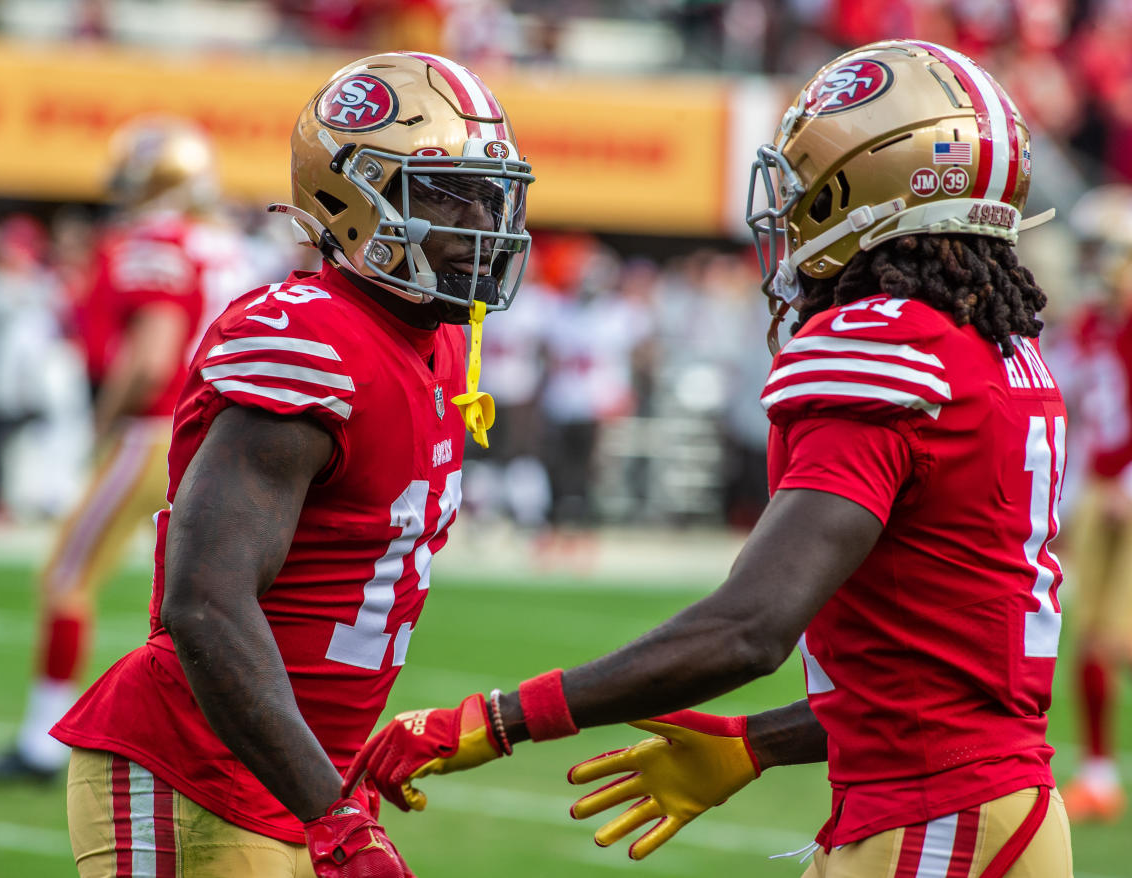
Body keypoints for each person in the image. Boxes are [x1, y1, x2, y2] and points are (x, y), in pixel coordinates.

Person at [346, 39, 1074, 877]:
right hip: (999, 807)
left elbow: (749, 627)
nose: (789, 207)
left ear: (865, 185)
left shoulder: (887, 344)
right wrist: (755, 743)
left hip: (931, 822)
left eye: (805, 180)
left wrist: (505, 716)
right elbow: (931, 684)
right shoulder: (993, 351)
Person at [48, 52, 532, 877]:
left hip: (299, 776)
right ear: (352, 203)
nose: (480, 224)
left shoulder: (442, 343)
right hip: (197, 772)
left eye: (491, 195)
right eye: (447, 196)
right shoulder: (307, 339)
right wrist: (336, 813)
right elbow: (204, 603)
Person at [0, 117, 253, 782]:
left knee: (67, 577)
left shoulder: (155, 241)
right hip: (215, 436)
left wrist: (101, 422)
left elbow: (153, 356)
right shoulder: (222, 244)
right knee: (195, 601)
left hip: (156, 431)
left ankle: (42, 747)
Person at [1052, 186, 1132, 823]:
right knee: (1088, 639)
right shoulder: (1091, 324)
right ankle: (1101, 777)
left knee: (1116, 640)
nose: (1096, 264)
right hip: (1099, 492)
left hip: (1124, 492)